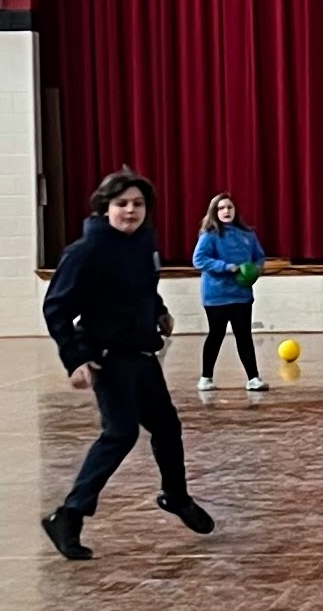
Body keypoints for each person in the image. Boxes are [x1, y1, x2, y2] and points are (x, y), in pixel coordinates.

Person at [41, 170, 212, 561]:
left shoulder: (142, 244)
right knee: (119, 433)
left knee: (166, 426)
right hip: (105, 357)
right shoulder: (85, 252)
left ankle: (176, 496)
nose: (130, 210)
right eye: (122, 204)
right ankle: (68, 515)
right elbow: (56, 308)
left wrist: (160, 312)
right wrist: (74, 358)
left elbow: (143, 288)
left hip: (140, 353)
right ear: (105, 208)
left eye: (137, 204)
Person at [191, 193, 269, 393]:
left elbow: (259, 257)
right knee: (215, 335)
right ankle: (206, 377)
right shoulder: (209, 235)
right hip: (216, 296)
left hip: (241, 295)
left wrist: (257, 269)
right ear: (215, 212)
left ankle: (253, 378)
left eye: (229, 207)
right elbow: (199, 259)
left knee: (244, 336)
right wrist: (227, 267)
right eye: (221, 208)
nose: (226, 211)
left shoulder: (247, 235)